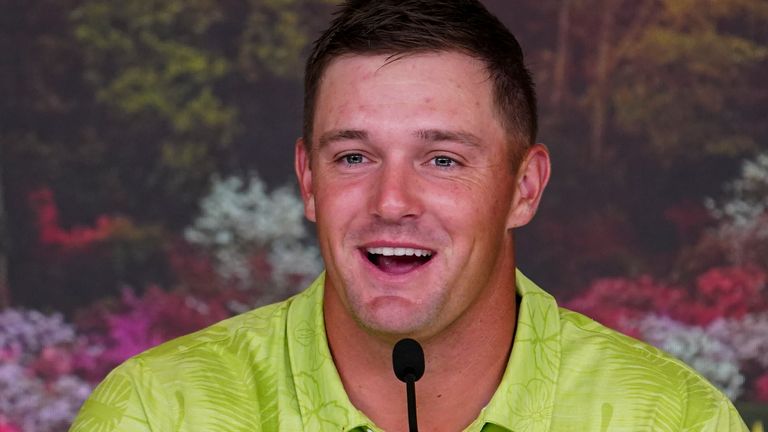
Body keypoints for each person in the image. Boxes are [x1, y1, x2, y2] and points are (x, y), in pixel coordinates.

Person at [70, 1, 748, 431]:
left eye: (443, 160)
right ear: (309, 181)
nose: (392, 202)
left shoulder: (671, 419)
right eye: (354, 157)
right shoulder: (158, 413)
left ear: (524, 187)